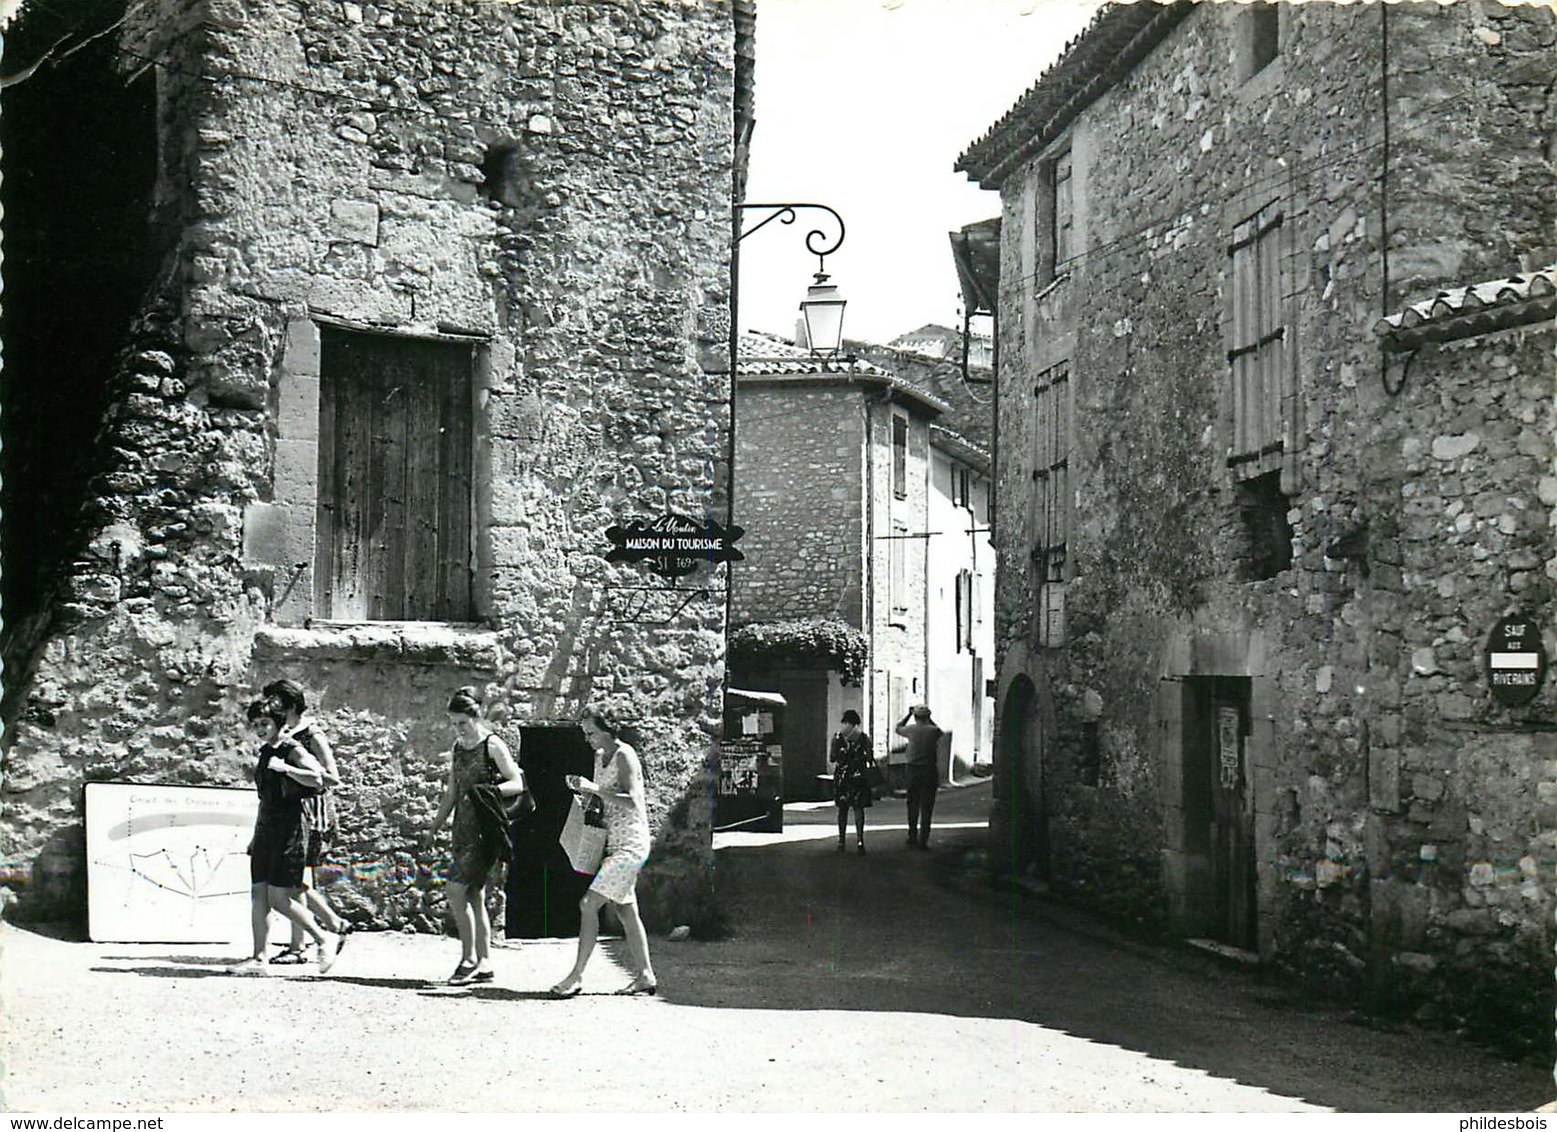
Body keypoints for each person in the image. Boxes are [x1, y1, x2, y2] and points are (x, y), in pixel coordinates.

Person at [549, 711, 656, 998]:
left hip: (631, 843)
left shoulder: (625, 755)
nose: (587, 738)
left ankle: (576, 975)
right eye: (585, 733)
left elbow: (633, 801)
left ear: (608, 730)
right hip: (613, 841)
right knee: (625, 910)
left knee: (588, 904)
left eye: (591, 732)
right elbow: (604, 798)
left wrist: (594, 788)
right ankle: (646, 975)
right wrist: (585, 794)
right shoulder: (599, 757)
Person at [232, 697, 343, 975]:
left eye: (265, 723)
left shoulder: (291, 748)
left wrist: (288, 769)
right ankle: (259, 959)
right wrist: (256, 836)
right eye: (256, 724)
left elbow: (319, 779)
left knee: (280, 898)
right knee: (258, 892)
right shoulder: (266, 751)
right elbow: (266, 798)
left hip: (290, 828)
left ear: (278, 723)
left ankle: (322, 939)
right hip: (267, 828)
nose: (260, 729)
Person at [425, 686, 526, 986]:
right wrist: (435, 825)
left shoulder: (492, 746)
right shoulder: (458, 748)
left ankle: (468, 959)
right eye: (454, 723)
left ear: (476, 716)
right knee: (474, 895)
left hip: (484, 831)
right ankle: (484, 963)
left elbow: (517, 783)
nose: (458, 729)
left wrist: (488, 793)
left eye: (462, 723)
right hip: (462, 828)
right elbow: (452, 793)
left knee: (455, 891)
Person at [263, 678, 350, 964]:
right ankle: (331, 926)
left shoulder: (311, 733)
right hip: (292, 811)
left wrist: (295, 773)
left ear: (287, 702)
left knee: (296, 879)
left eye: (275, 700)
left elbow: (332, 776)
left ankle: (301, 945)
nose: (270, 705)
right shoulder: (283, 733)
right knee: (297, 880)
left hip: (313, 813)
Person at [895, 704, 945, 850]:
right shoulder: (933, 730)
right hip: (929, 769)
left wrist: (908, 715)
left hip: (913, 769)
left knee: (913, 804)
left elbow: (898, 727)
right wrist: (930, 719)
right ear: (928, 717)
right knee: (927, 806)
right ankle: (924, 839)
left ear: (916, 717)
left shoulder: (910, 730)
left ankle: (912, 836)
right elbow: (940, 731)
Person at [829, 709, 875, 855]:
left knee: (842, 809)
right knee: (858, 808)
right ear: (857, 722)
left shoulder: (837, 737)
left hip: (842, 777)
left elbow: (832, 758)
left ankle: (841, 841)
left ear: (844, 721)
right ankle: (860, 841)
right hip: (859, 776)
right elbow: (869, 758)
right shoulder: (863, 737)